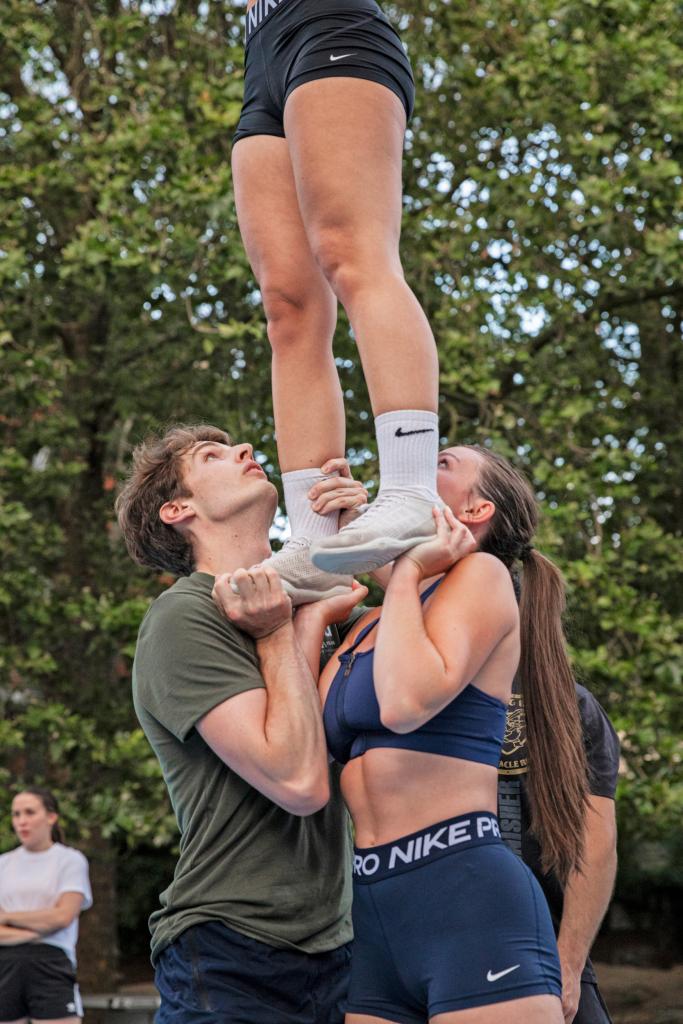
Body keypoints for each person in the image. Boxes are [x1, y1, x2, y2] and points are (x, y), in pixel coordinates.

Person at [256, 443, 593, 1023]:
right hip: (372, 908)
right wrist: (318, 595)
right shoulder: (377, 622)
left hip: (466, 894)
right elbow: (302, 737)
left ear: (475, 512)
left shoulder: (483, 577)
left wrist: (407, 567)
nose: (408, 470)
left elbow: (408, 701)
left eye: (440, 464)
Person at [115, 423, 368, 1024]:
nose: (246, 451)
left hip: (338, 949)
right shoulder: (183, 617)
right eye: (214, 455)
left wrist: (372, 543)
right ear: (178, 509)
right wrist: (286, 629)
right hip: (230, 946)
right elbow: (298, 781)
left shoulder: (309, 603)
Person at [232, 0, 443, 592]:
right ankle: (313, 533)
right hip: (261, 57)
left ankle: (409, 487)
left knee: (352, 253)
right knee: (288, 310)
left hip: (330, 25)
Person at [498, 681, 619, 1024]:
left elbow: (597, 846)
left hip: (549, 945)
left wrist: (568, 963)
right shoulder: (437, 694)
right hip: (459, 947)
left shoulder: (573, 705)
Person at [0, 787, 92, 1024]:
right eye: (16, 814)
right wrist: (37, 928)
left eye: (30, 812)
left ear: (51, 817)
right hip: (6, 965)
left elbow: (62, 917)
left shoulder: (70, 860)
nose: (22, 821)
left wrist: (8, 916)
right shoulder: (4, 864)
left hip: (52, 964)